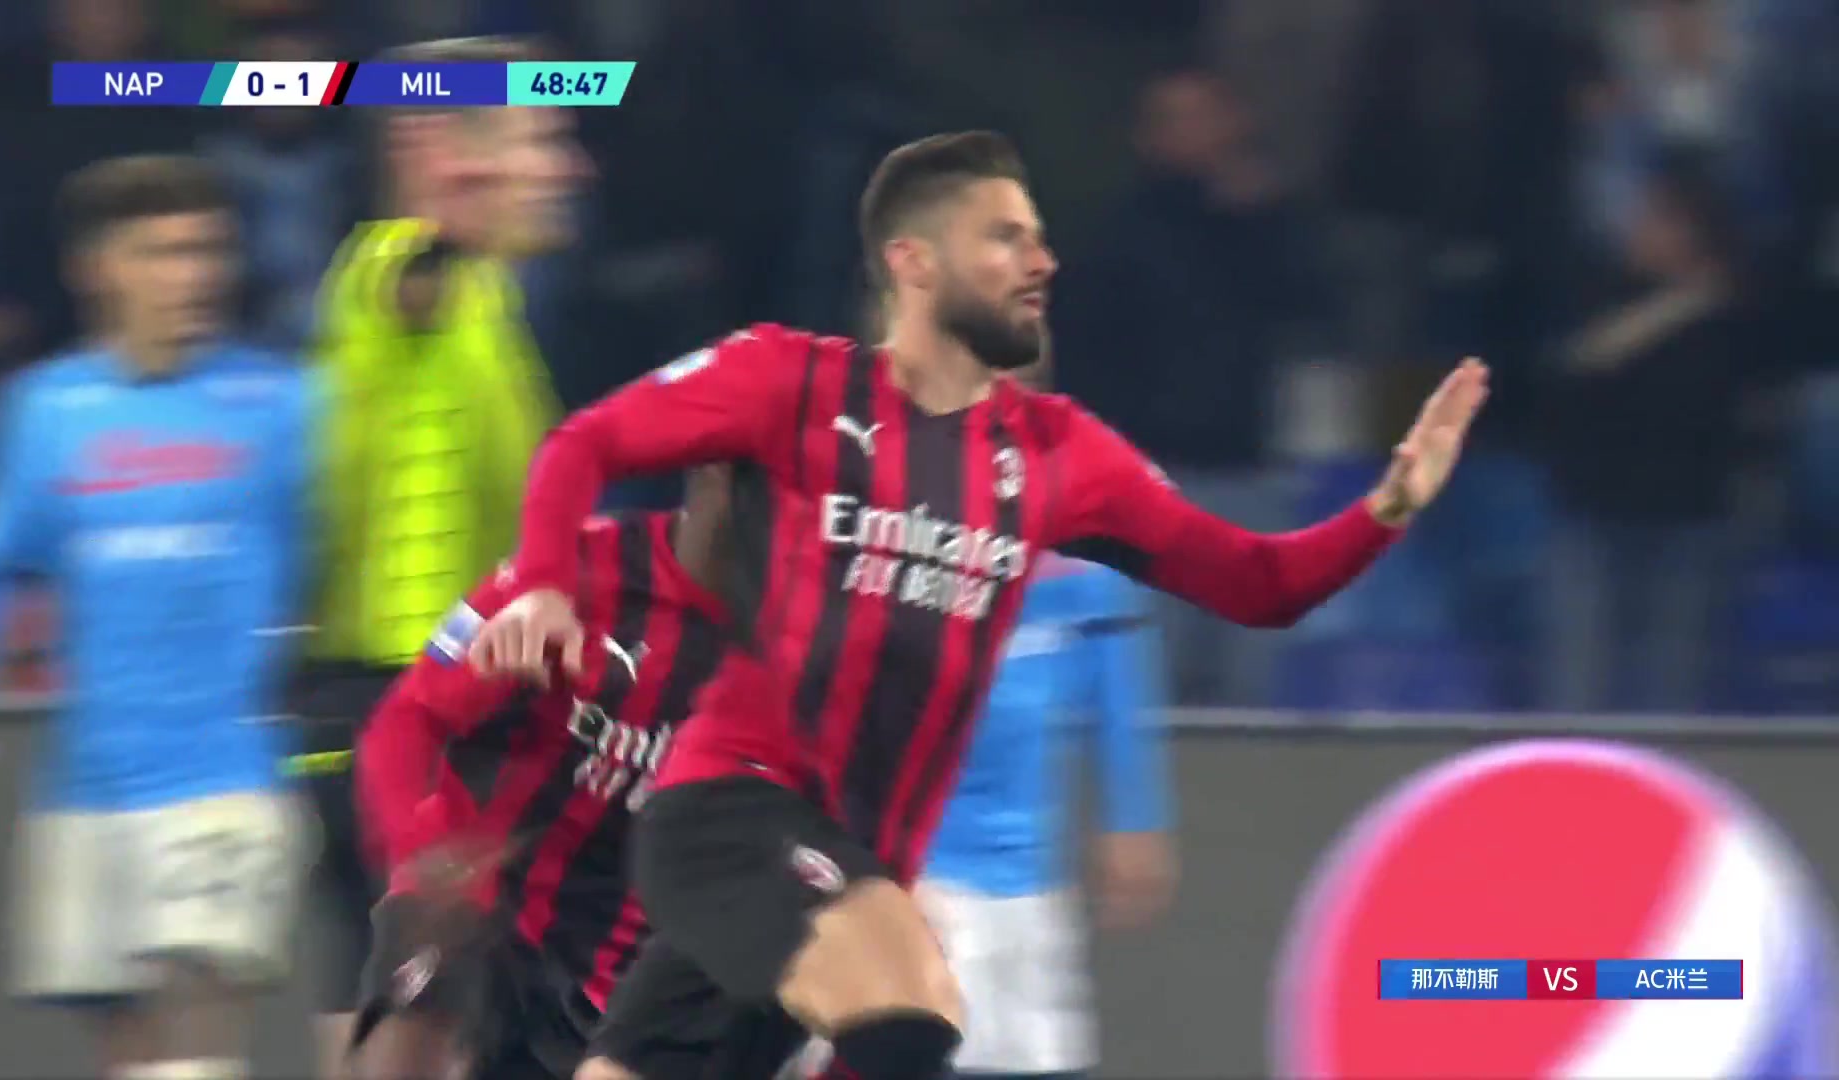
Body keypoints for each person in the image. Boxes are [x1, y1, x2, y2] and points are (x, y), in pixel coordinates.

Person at [473, 131, 1487, 1079]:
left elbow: (1259, 585)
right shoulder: (788, 380)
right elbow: (583, 445)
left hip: (853, 861)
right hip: (734, 811)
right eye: (1006, 237)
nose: (1042, 261)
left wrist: (1388, 506)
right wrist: (547, 588)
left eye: (1040, 239)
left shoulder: (1061, 455)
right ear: (914, 262)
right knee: (910, 1013)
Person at [0, 154, 310, 1079]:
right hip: (85, 789)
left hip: (228, 781)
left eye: (207, 250)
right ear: (97, 268)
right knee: (130, 1050)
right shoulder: (42, 411)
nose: (194, 276)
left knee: (194, 1025)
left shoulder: (285, 405)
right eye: (163, 253)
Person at [292, 35, 587, 1077]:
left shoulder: (492, 306)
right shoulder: (399, 275)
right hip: (390, 702)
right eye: (538, 139)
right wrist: (438, 211)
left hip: (457, 709)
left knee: (433, 1027)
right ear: (444, 153)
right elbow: (413, 271)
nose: (565, 166)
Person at [351, 467, 805, 1080]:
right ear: (707, 473)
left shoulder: (798, 643)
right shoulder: (567, 575)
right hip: (479, 906)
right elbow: (405, 722)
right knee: (422, 1009)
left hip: (612, 972)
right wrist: (420, 854)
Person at [913, 354, 1177, 1080]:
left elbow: (1116, 673)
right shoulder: (883, 516)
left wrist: (1135, 814)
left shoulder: (1085, 523)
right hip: (917, 873)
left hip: (1031, 882)